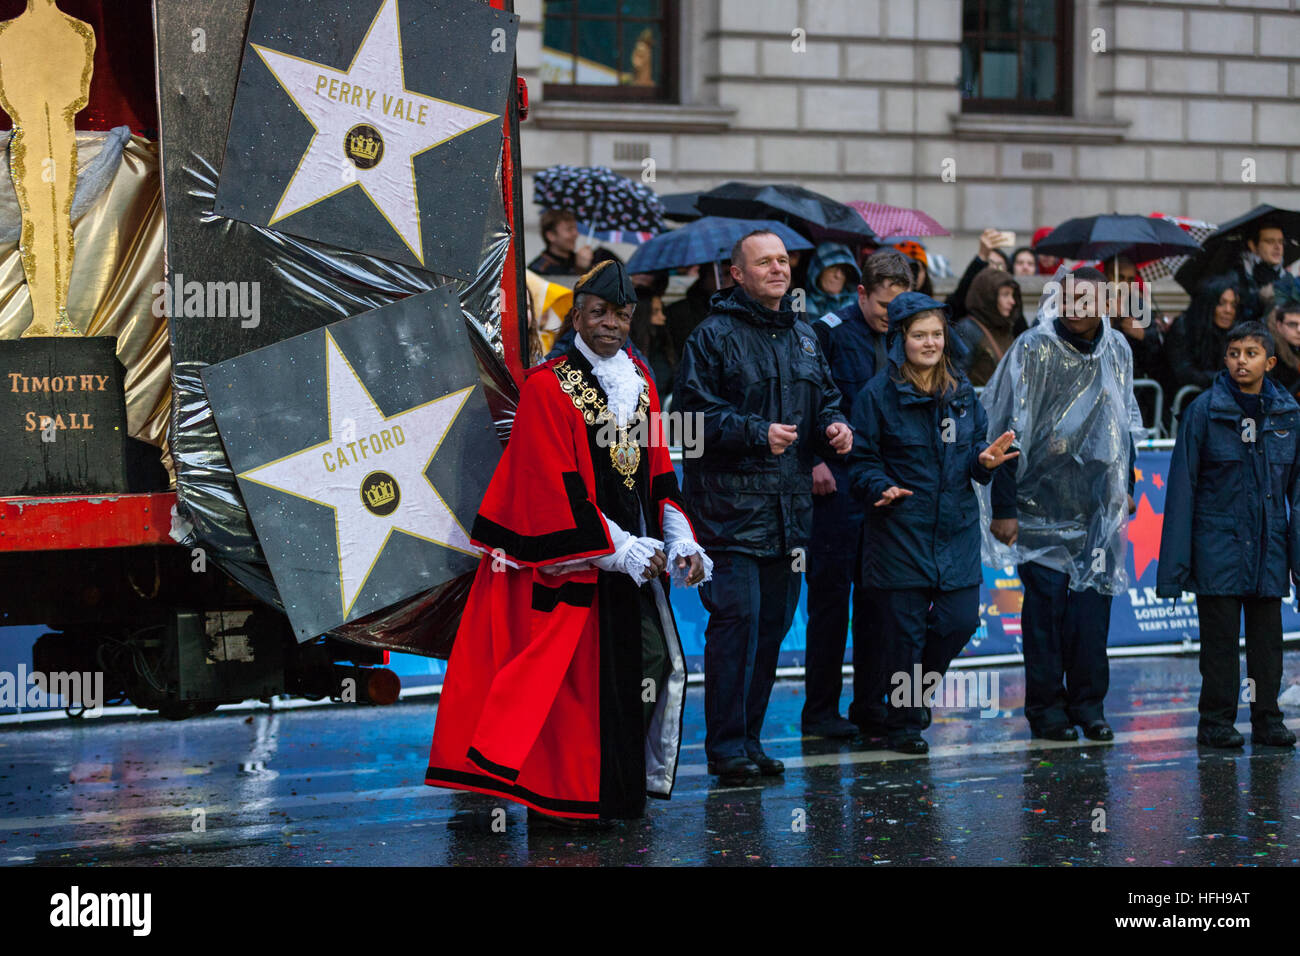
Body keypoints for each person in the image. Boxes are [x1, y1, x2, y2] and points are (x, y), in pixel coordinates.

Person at [425, 259, 711, 826]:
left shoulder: (642, 381)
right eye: (600, 312)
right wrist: (622, 548)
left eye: (622, 314)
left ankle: (621, 793)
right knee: (568, 692)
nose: (612, 323)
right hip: (573, 564)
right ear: (577, 314)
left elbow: (656, 472)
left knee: (648, 665)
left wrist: (679, 537)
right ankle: (565, 802)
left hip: (633, 566)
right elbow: (551, 490)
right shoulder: (548, 386)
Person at [675, 229, 852, 785]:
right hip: (728, 515)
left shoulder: (803, 335)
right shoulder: (711, 336)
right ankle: (725, 748)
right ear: (737, 274)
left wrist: (834, 427)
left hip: (789, 514)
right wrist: (755, 431)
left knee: (771, 628)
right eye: (765, 262)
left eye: (783, 261)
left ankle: (749, 740)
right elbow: (692, 420)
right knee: (737, 626)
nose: (778, 269)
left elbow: (825, 397)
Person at [848, 293, 1019, 753]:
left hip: (955, 530)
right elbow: (860, 460)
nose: (929, 343)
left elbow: (977, 456)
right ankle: (904, 724)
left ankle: (910, 695)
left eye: (936, 334)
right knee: (904, 635)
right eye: (919, 335)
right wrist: (879, 484)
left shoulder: (962, 393)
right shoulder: (876, 395)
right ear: (900, 339)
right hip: (899, 530)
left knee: (958, 621)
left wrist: (984, 464)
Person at [981, 266, 1143, 742]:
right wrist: (1005, 507)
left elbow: (1123, 422)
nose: (1079, 308)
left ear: (1106, 303)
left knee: (1092, 613)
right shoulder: (1032, 348)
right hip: (1039, 502)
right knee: (1045, 612)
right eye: (1071, 299)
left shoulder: (1117, 349)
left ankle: (1089, 705)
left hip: (1097, 506)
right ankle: (1047, 708)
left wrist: (1125, 485)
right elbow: (1007, 427)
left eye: (1089, 300)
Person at [1157, 321, 1299, 749]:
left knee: (1267, 644)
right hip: (1217, 546)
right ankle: (1216, 721)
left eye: (1251, 353)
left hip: (1268, 548)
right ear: (1225, 359)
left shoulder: (1287, 414)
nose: (1241, 361)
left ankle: (1266, 717)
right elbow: (1183, 489)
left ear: (1269, 362)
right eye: (1234, 353)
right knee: (1218, 645)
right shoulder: (1203, 411)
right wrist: (1174, 570)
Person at [803, 250, 914, 739]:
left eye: (899, 306)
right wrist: (812, 461)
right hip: (837, 486)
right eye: (883, 305)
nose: (890, 316)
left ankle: (871, 705)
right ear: (862, 293)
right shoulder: (827, 332)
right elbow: (803, 399)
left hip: (884, 487)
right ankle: (820, 712)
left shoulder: (909, 335)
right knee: (830, 604)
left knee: (879, 604)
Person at [1165, 277, 1241, 393]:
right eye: (1221, 303)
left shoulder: (1235, 334)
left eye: (1233, 305)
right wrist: (1221, 378)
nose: (1228, 310)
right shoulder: (1184, 326)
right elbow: (1183, 372)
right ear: (1209, 304)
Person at [953, 266, 1025, 387]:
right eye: (1005, 295)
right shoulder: (968, 329)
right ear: (988, 296)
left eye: (1012, 295)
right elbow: (957, 377)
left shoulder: (1004, 327)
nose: (1012, 301)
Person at [665, 260, 731, 362]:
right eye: (720, 274)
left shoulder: (738, 307)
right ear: (705, 278)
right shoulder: (680, 312)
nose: (727, 280)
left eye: (729, 274)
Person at [1230, 219, 1288, 323]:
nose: (1277, 247)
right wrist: (1259, 299)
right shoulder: (1236, 276)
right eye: (1270, 241)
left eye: (1281, 242)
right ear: (1252, 245)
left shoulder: (1287, 278)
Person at [948, 228, 1011, 321]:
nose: (995, 270)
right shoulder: (968, 303)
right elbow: (959, 298)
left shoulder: (1011, 306)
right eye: (990, 264)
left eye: (1000, 266)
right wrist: (982, 255)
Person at [629, 286, 676, 397]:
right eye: (655, 312)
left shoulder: (663, 350)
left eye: (662, 311)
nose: (662, 317)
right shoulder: (626, 353)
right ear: (642, 315)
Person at [804, 242, 862, 318]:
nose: (838, 275)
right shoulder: (803, 303)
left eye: (844, 270)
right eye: (833, 267)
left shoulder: (858, 300)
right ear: (818, 270)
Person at [528, 208, 593, 276]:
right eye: (569, 229)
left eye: (575, 228)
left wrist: (583, 269)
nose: (576, 234)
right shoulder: (538, 270)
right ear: (551, 236)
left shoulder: (580, 260)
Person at [1266, 277, 1300, 397]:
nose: (1299, 330)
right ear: (1279, 326)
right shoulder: (1269, 354)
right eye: (1292, 324)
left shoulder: (1295, 349)